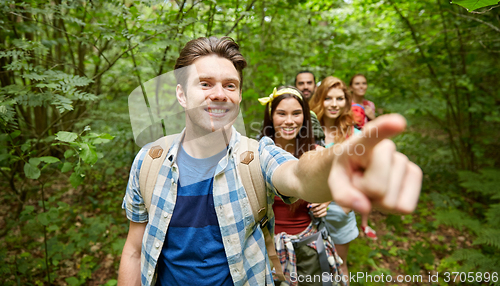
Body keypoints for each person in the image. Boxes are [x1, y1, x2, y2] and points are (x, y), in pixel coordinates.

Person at [118, 36, 422, 286]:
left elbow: (298, 174)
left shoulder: (258, 155)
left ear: (238, 95)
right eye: (206, 84)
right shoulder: (149, 161)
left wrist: (339, 163)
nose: (220, 94)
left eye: (230, 85)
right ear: (182, 95)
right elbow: (134, 251)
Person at [258, 86, 341, 285]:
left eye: (296, 113)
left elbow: (337, 184)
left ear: (305, 117)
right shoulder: (255, 155)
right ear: (271, 116)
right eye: (281, 113)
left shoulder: (317, 153)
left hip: (309, 247)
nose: (289, 121)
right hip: (268, 249)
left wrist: (326, 199)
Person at [309, 76, 365, 281]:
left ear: (346, 102)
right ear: (320, 99)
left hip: (340, 211)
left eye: (339, 99)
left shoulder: (356, 136)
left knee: (340, 267)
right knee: (311, 269)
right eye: (328, 98)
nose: (334, 104)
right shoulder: (307, 131)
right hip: (309, 213)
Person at [349, 74, 378, 239]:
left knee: (368, 181)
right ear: (351, 86)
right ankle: (349, 215)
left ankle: (365, 223)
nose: (361, 86)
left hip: (368, 146)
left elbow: (374, 128)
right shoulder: (346, 103)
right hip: (351, 145)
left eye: (364, 83)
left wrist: (371, 116)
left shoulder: (369, 105)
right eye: (357, 83)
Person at [295, 71, 325, 143]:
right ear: (295, 87)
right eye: (301, 83)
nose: (305, 87)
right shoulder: (289, 111)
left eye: (309, 83)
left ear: (315, 87)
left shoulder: (325, 109)